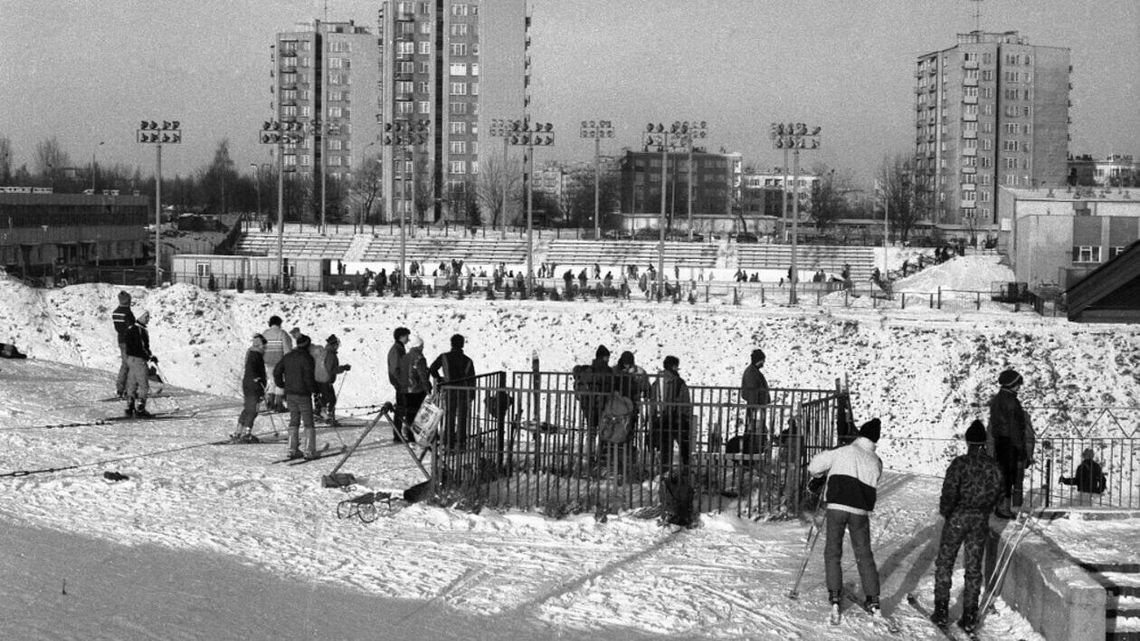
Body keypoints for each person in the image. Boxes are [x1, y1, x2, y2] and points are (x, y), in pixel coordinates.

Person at [807, 418, 885, 618]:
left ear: (859, 434)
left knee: (833, 551)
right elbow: (875, 478)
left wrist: (823, 476)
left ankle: (834, 594)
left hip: (837, 508)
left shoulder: (843, 451)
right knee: (864, 553)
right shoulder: (876, 461)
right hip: (860, 512)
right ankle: (873, 598)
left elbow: (814, 467)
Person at [932, 419, 1004, 632]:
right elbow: (1000, 494)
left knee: (945, 562)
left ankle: (941, 611)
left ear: (968, 441)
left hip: (958, 517)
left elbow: (949, 492)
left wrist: (947, 512)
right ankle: (970, 615)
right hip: (980, 520)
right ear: (984, 442)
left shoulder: (960, 463)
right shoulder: (994, 467)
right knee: (973, 568)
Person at [987, 369, 1035, 518]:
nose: (1019, 387)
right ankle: (1005, 509)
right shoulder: (1011, 402)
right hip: (1011, 445)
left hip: (1001, 443)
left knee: (1003, 477)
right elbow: (1016, 428)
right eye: (1017, 384)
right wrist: (1021, 450)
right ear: (1011, 384)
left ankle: (1001, 506)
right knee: (1010, 477)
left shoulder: (997, 400)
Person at [273, 334, 318, 460]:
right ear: (307, 345)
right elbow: (309, 377)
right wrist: (314, 390)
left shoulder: (288, 356)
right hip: (303, 394)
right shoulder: (308, 358)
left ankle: (292, 449)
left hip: (290, 394)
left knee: (294, 420)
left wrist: (281, 384)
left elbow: (276, 371)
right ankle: (309, 450)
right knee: (308, 422)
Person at [429, 334, 476, 447]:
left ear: (451, 344)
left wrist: (440, 379)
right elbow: (472, 380)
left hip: (449, 390)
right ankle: (461, 442)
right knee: (462, 417)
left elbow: (432, 368)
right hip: (463, 391)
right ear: (462, 344)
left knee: (449, 416)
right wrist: (472, 395)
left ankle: (448, 443)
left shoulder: (444, 357)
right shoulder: (468, 360)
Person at [652, 355, 692, 472]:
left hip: (660, 419)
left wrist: (653, 418)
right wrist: (686, 418)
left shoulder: (657, 382)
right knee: (684, 446)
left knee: (665, 447)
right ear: (674, 367)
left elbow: (653, 401)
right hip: (677, 419)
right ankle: (686, 470)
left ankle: (664, 472)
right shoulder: (679, 382)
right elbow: (685, 402)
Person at [231, 334, 268, 443]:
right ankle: (246, 433)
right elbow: (254, 370)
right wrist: (258, 381)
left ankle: (238, 431)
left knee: (248, 408)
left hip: (248, 384)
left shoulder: (252, 353)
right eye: (264, 345)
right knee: (253, 410)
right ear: (260, 344)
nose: (265, 348)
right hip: (254, 386)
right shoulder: (256, 355)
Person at [122, 311, 155, 418]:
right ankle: (140, 409)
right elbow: (141, 347)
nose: (148, 319)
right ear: (139, 316)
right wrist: (149, 357)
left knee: (132, 382)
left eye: (148, 317)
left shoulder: (130, 329)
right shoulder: (139, 330)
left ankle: (130, 407)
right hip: (139, 360)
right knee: (143, 385)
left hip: (130, 359)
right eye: (146, 316)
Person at [313, 335, 350, 426]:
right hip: (326, 380)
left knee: (326, 398)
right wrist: (343, 368)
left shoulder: (324, 352)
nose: (338, 347)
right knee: (331, 399)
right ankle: (327, 416)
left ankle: (319, 412)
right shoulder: (331, 355)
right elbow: (331, 369)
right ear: (334, 345)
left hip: (320, 379)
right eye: (337, 345)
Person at [402, 335, 432, 435]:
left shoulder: (406, 357)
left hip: (407, 389)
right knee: (418, 414)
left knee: (409, 414)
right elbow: (422, 375)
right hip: (417, 389)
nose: (423, 347)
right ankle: (415, 435)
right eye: (422, 345)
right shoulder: (419, 358)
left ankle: (407, 433)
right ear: (418, 346)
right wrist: (427, 388)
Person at [262, 316, 293, 412]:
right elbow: (287, 349)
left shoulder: (265, 334)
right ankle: (279, 404)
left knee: (272, 381)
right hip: (280, 362)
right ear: (279, 323)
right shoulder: (282, 334)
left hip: (268, 362)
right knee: (279, 383)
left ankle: (270, 403)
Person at [740, 349, 771, 438]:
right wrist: (754, 408)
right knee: (755, 430)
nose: (763, 362)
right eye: (763, 360)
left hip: (757, 407)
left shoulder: (754, 371)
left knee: (757, 429)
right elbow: (752, 392)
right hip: (756, 407)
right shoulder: (751, 373)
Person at [387, 327, 411, 441]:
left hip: (401, 384)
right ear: (401, 337)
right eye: (407, 336)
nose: (408, 339)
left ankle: (399, 433)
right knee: (400, 409)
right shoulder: (396, 350)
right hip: (400, 384)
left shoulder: (399, 348)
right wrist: (402, 382)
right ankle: (397, 434)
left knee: (402, 409)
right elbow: (395, 369)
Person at [112, 290, 135, 398]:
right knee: (129, 365)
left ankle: (122, 388)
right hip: (129, 341)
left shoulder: (116, 312)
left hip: (121, 340)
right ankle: (124, 389)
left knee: (126, 364)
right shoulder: (127, 313)